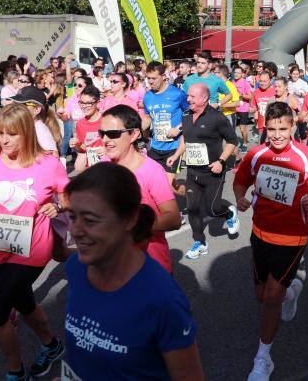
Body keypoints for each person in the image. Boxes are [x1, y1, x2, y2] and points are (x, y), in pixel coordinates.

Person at [62, 163, 204, 380]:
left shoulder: (162, 298)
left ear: (128, 219)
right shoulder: (75, 268)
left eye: (89, 220)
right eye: (72, 217)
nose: (75, 231)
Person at [0, 104, 70, 380]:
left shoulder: (47, 163)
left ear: (26, 133)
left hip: (34, 247)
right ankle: (52, 345)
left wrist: (58, 207)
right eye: (1, 133)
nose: (5, 140)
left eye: (12, 134)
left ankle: (16, 371)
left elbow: (71, 193)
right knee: (24, 303)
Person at [234, 102, 308, 381]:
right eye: (272, 129)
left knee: (271, 298)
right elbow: (240, 180)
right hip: (260, 232)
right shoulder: (256, 154)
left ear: (292, 127)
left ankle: (263, 359)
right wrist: (240, 197)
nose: (276, 135)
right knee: (262, 296)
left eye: (282, 129)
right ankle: (293, 291)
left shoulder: (306, 155)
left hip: (292, 237)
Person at [101, 105, 181, 272]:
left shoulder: (152, 170)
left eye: (113, 134)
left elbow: (174, 219)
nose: (106, 139)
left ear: (135, 134)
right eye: (102, 134)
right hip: (113, 267)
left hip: (150, 268)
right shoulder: (103, 166)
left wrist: (133, 224)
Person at [167, 83, 238, 259]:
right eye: (188, 96)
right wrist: (176, 155)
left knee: (213, 209)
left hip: (213, 172)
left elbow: (232, 140)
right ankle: (200, 242)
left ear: (204, 98)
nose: (188, 99)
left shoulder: (217, 117)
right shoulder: (186, 115)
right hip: (192, 171)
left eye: (192, 96)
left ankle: (229, 213)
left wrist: (221, 161)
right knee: (192, 208)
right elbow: (186, 138)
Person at [144, 61, 190, 188]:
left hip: (174, 146)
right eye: (148, 78)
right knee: (155, 184)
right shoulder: (147, 96)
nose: (151, 82)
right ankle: (190, 196)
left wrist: (178, 128)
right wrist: (135, 129)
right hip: (155, 146)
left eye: (154, 78)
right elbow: (148, 118)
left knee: (166, 187)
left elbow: (191, 114)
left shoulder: (177, 94)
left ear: (164, 76)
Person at [9, 86, 61, 154]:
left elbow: (53, 160)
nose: (16, 108)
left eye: (23, 104)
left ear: (37, 110)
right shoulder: (30, 128)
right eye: (15, 103)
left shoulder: (41, 131)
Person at [233, 66, 254, 153]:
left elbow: (250, 96)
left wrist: (241, 95)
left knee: (242, 129)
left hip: (243, 108)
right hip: (233, 108)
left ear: (242, 74)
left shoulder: (245, 83)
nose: (236, 74)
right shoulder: (232, 82)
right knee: (232, 128)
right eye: (235, 72)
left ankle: (245, 144)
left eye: (238, 72)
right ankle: (234, 143)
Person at [252, 72, 276, 143]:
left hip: (274, 125)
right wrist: (254, 111)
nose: (262, 83)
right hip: (261, 126)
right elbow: (253, 107)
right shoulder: (256, 92)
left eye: (265, 81)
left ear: (270, 81)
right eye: (261, 81)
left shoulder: (275, 91)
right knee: (262, 147)